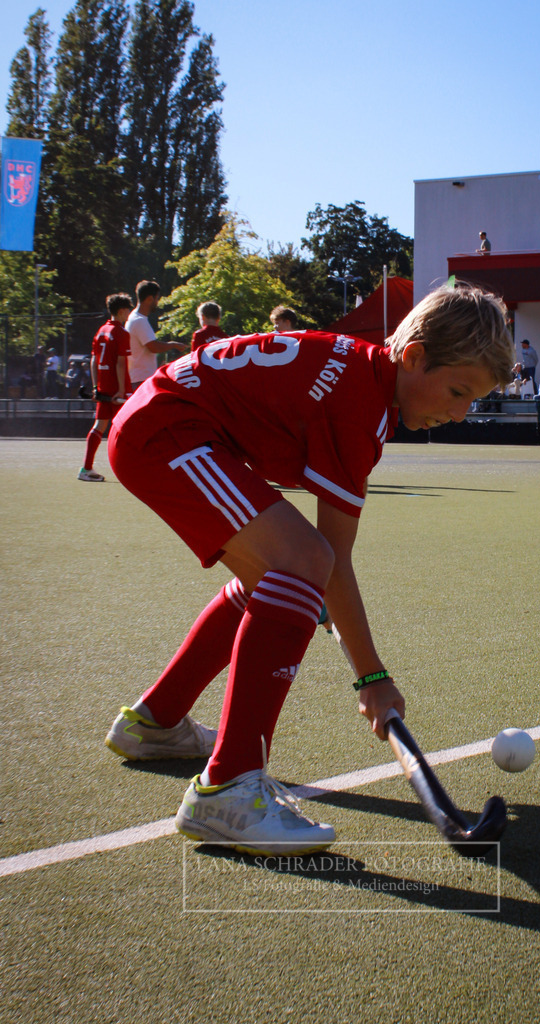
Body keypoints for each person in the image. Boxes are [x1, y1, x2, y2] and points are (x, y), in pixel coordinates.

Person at [104, 282, 514, 855]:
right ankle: (227, 788)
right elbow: (333, 559)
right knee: (302, 563)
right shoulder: (358, 405)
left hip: (166, 421)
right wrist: (373, 679)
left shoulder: (359, 376)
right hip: (166, 431)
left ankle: (155, 722)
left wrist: (313, 595)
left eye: (473, 401)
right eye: (457, 391)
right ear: (414, 355)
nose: (460, 412)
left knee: (280, 579)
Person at [78, 293, 134, 482]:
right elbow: (120, 363)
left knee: (99, 426)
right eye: (128, 309)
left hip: (103, 386)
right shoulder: (121, 333)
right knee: (127, 428)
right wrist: (120, 389)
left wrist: (96, 386)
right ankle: (130, 471)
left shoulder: (101, 331)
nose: (130, 313)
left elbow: (94, 360)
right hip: (118, 388)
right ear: (121, 311)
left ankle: (86, 469)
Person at [126, 280, 188, 390]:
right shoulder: (139, 320)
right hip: (141, 380)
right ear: (150, 299)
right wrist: (173, 345)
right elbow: (154, 347)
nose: (157, 302)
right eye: (156, 298)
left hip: (137, 378)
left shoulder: (134, 317)